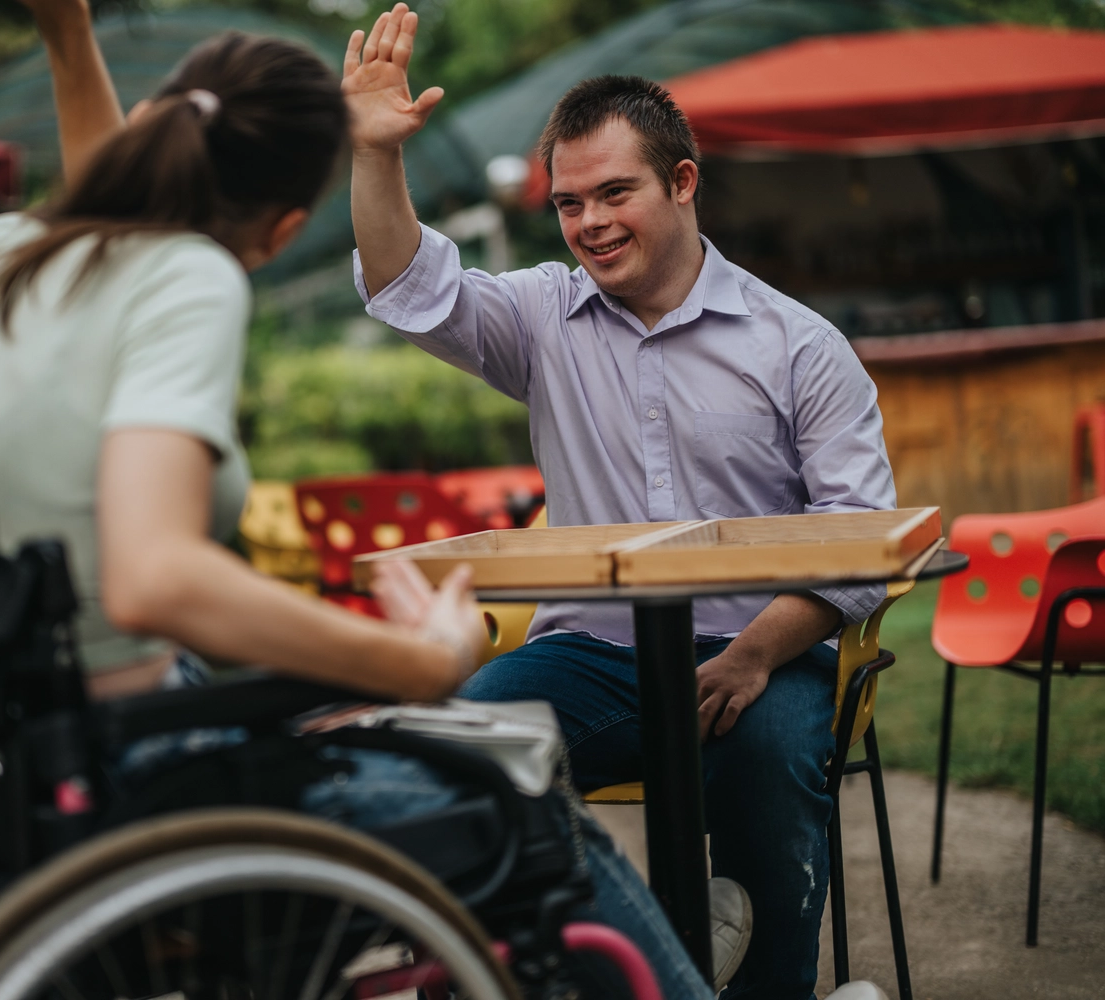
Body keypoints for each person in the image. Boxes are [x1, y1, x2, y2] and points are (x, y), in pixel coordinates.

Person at [0, 0, 741, 996]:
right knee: (519, 791)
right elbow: (151, 577)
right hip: (130, 770)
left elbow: (105, 224)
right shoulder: (192, 279)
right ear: (287, 228)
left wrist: (68, 37)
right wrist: (411, 660)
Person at [343, 6, 896, 999]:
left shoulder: (798, 344)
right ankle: (615, 973)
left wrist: (756, 654)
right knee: (467, 750)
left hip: (761, 649)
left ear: (682, 183)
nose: (589, 222)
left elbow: (858, 541)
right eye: (567, 204)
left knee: (767, 762)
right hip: (595, 652)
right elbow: (405, 285)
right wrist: (376, 154)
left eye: (614, 193)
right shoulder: (544, 317)